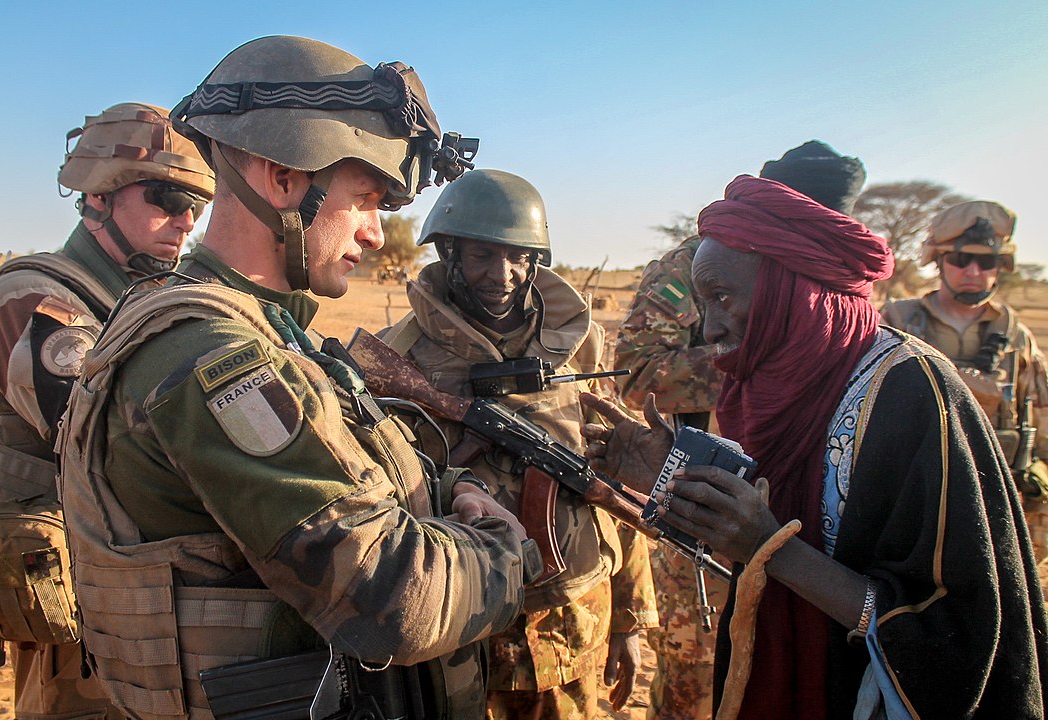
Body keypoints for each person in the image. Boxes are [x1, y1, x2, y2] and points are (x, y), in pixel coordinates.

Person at [55, 37, 530, 720]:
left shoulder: (270, 329)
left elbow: (356, 469)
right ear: (280, 176)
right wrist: (508, 549)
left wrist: (457, 490)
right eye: (364, 199)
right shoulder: (212, 356)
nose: (373, 233)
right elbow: (391, 597)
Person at [582, 175, 1048, 719]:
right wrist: (676, 470)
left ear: (790, 288)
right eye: (703, 302)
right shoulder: (772, 389)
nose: (708, 329)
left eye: (723, 296)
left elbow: (954, 633)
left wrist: (771, 548)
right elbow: (769, 534)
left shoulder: (910, 393)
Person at [379, 168, 657, 719]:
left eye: (519, 256)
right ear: (450, 254)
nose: (502, 275)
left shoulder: (578, 345)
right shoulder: (398, 357)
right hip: (459, 625)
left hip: (575, 618)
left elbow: (611, 486)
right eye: (483, 255)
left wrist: (631, 617)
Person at [0, 102, 214, 720]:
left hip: (158, 601)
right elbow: (106, 442)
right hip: (81, 617)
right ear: (99, 195)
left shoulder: (151, 301)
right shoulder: (33, 299)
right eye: (165, 197)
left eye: (196, 207)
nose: (185, 221)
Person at [613, 140, 866, 719]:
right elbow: (636, 372)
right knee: (700, 683)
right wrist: (758, 360)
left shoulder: (841, 271)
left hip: (814, 515)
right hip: (706, 502)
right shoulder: (697, 266)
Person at [882, 200, 1048, 598]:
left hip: (996, 498)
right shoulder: (896, 321)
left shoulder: (1016, 335)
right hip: (912, 499)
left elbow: (1039, 423)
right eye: (961, 259)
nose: (974, 272)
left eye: (987, 261)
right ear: (938, 262)